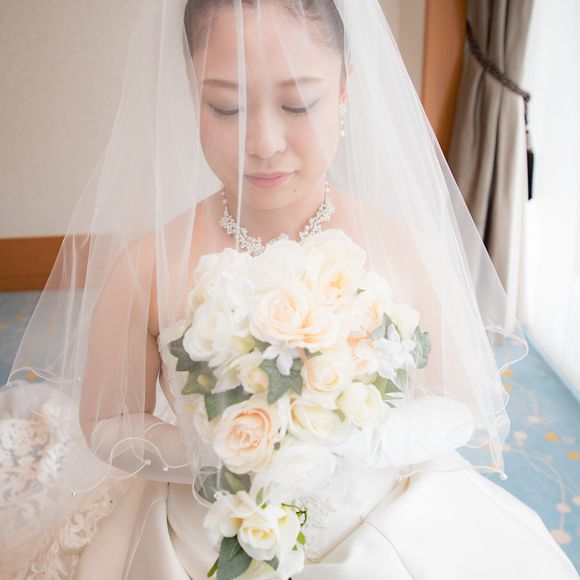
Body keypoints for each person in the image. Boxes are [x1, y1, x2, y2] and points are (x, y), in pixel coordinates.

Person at [0, 0, 577, 578]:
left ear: (345, 88)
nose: (264, 142)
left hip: (385, 524)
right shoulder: (145, 267)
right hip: (203, 534)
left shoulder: (407, 249)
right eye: (226, 107)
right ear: (191, 94)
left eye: (297, 103)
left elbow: (463, 406)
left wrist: (361, 443)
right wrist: (212, 457)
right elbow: (107, 424)